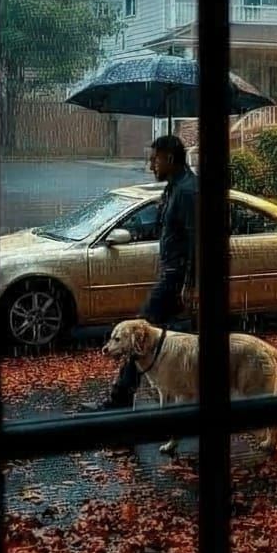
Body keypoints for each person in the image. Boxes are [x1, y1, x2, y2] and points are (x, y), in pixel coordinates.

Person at [81, 134, 198, 411]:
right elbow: (168, 230)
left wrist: (191, 283)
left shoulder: (188, 191)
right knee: (167, 342)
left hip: (177, 278)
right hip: (171, 274)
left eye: (154, 159)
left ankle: (120, 399)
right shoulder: (173, 189)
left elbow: (197, 239)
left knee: (138, 336)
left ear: (169, 158)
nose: (150, 166)